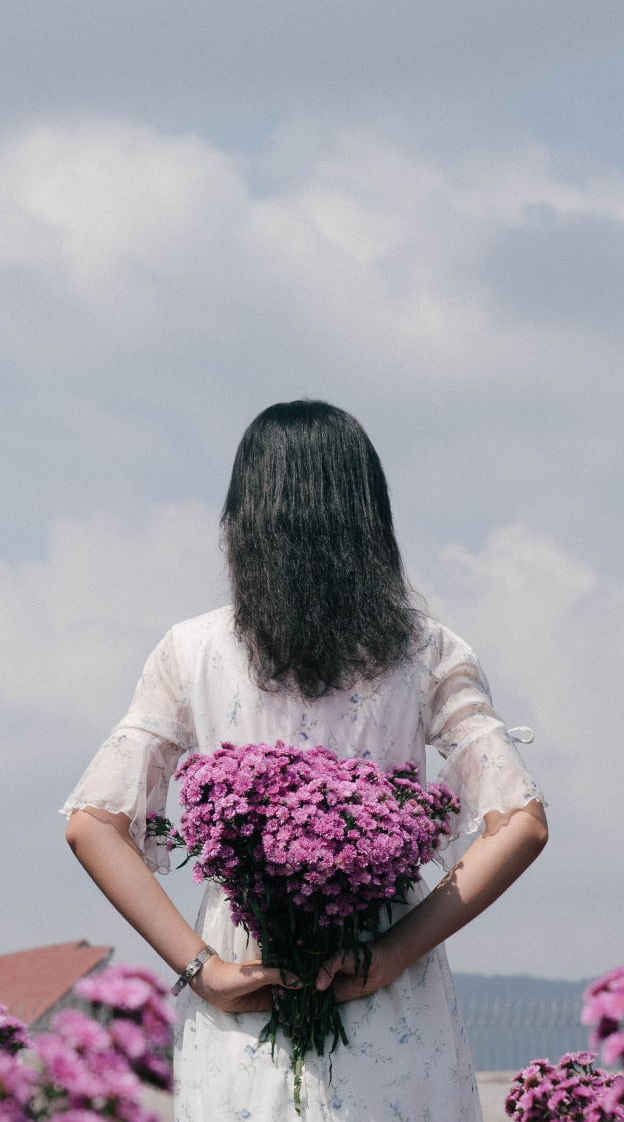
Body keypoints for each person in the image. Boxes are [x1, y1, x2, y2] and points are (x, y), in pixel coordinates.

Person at [63, 399, 548, 1122]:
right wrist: (392, 954)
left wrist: (202, 970)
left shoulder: (190, 651)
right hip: (385, 987)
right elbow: (523, 824)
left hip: (247, 982)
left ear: (245, 518)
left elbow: (91, 822)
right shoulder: (428, 650)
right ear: (368, 516)